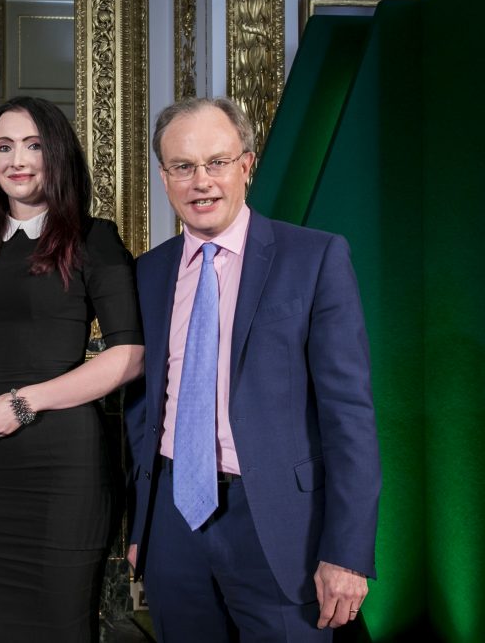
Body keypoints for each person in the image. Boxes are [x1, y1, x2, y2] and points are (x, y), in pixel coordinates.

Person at [124, 97, 381, 642]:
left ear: (246, 164)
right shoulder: (149, 271)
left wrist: (347, 553)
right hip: (173, 522)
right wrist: (142, 520)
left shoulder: (314, 258)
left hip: (281, 526)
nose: (202, 182)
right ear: (165, 177)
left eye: (217, 162)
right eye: (183, 167)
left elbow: (349, 417)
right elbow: (146, 400)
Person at [0, 96, 144, 641]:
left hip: (66, 470)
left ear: (56, 154)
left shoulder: (91, 238)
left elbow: (128, 357)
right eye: (4, 147)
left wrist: (23, 403)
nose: (17, 159)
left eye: (33, 145)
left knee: (59, 625)